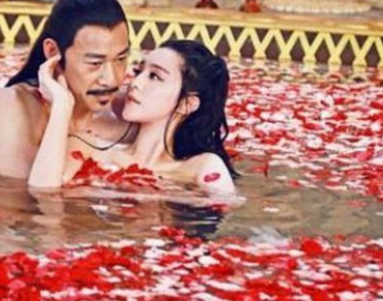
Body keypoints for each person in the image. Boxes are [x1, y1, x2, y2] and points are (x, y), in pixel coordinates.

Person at [28, 39, 237, 194]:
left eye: (154, 76)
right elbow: (41, 195)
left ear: (187, 104)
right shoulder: (86, 148)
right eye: (138, 72)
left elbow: (221, 215)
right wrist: (61, 105)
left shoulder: (201, 167)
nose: (135, 83)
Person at [0, 0, 132, 179]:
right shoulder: (10, 107)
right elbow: (23, 195)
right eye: (95, 63)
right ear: (53, 52)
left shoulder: (125, 114)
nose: (111, 79)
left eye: (120, 59)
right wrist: (61, 108)